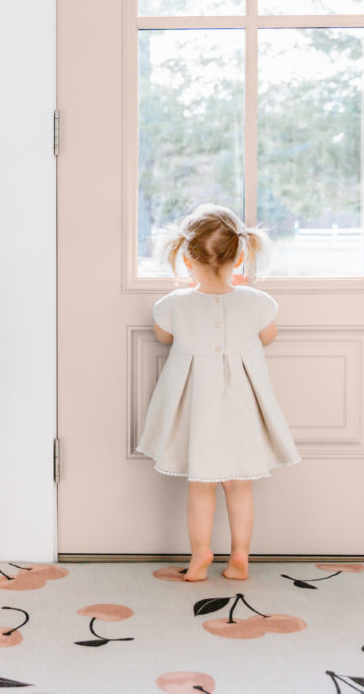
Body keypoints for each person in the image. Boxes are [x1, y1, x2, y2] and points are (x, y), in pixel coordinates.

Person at [136, 204, 301, 582]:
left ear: (186, 255)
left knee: (201, 487)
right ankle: (240, 557)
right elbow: (268, 336)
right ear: (241, 255)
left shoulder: (174, 304)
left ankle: (200, 555)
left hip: (198, 411)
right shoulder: (256, 302)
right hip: (242, 408)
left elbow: (164, 335)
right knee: (239, 487)